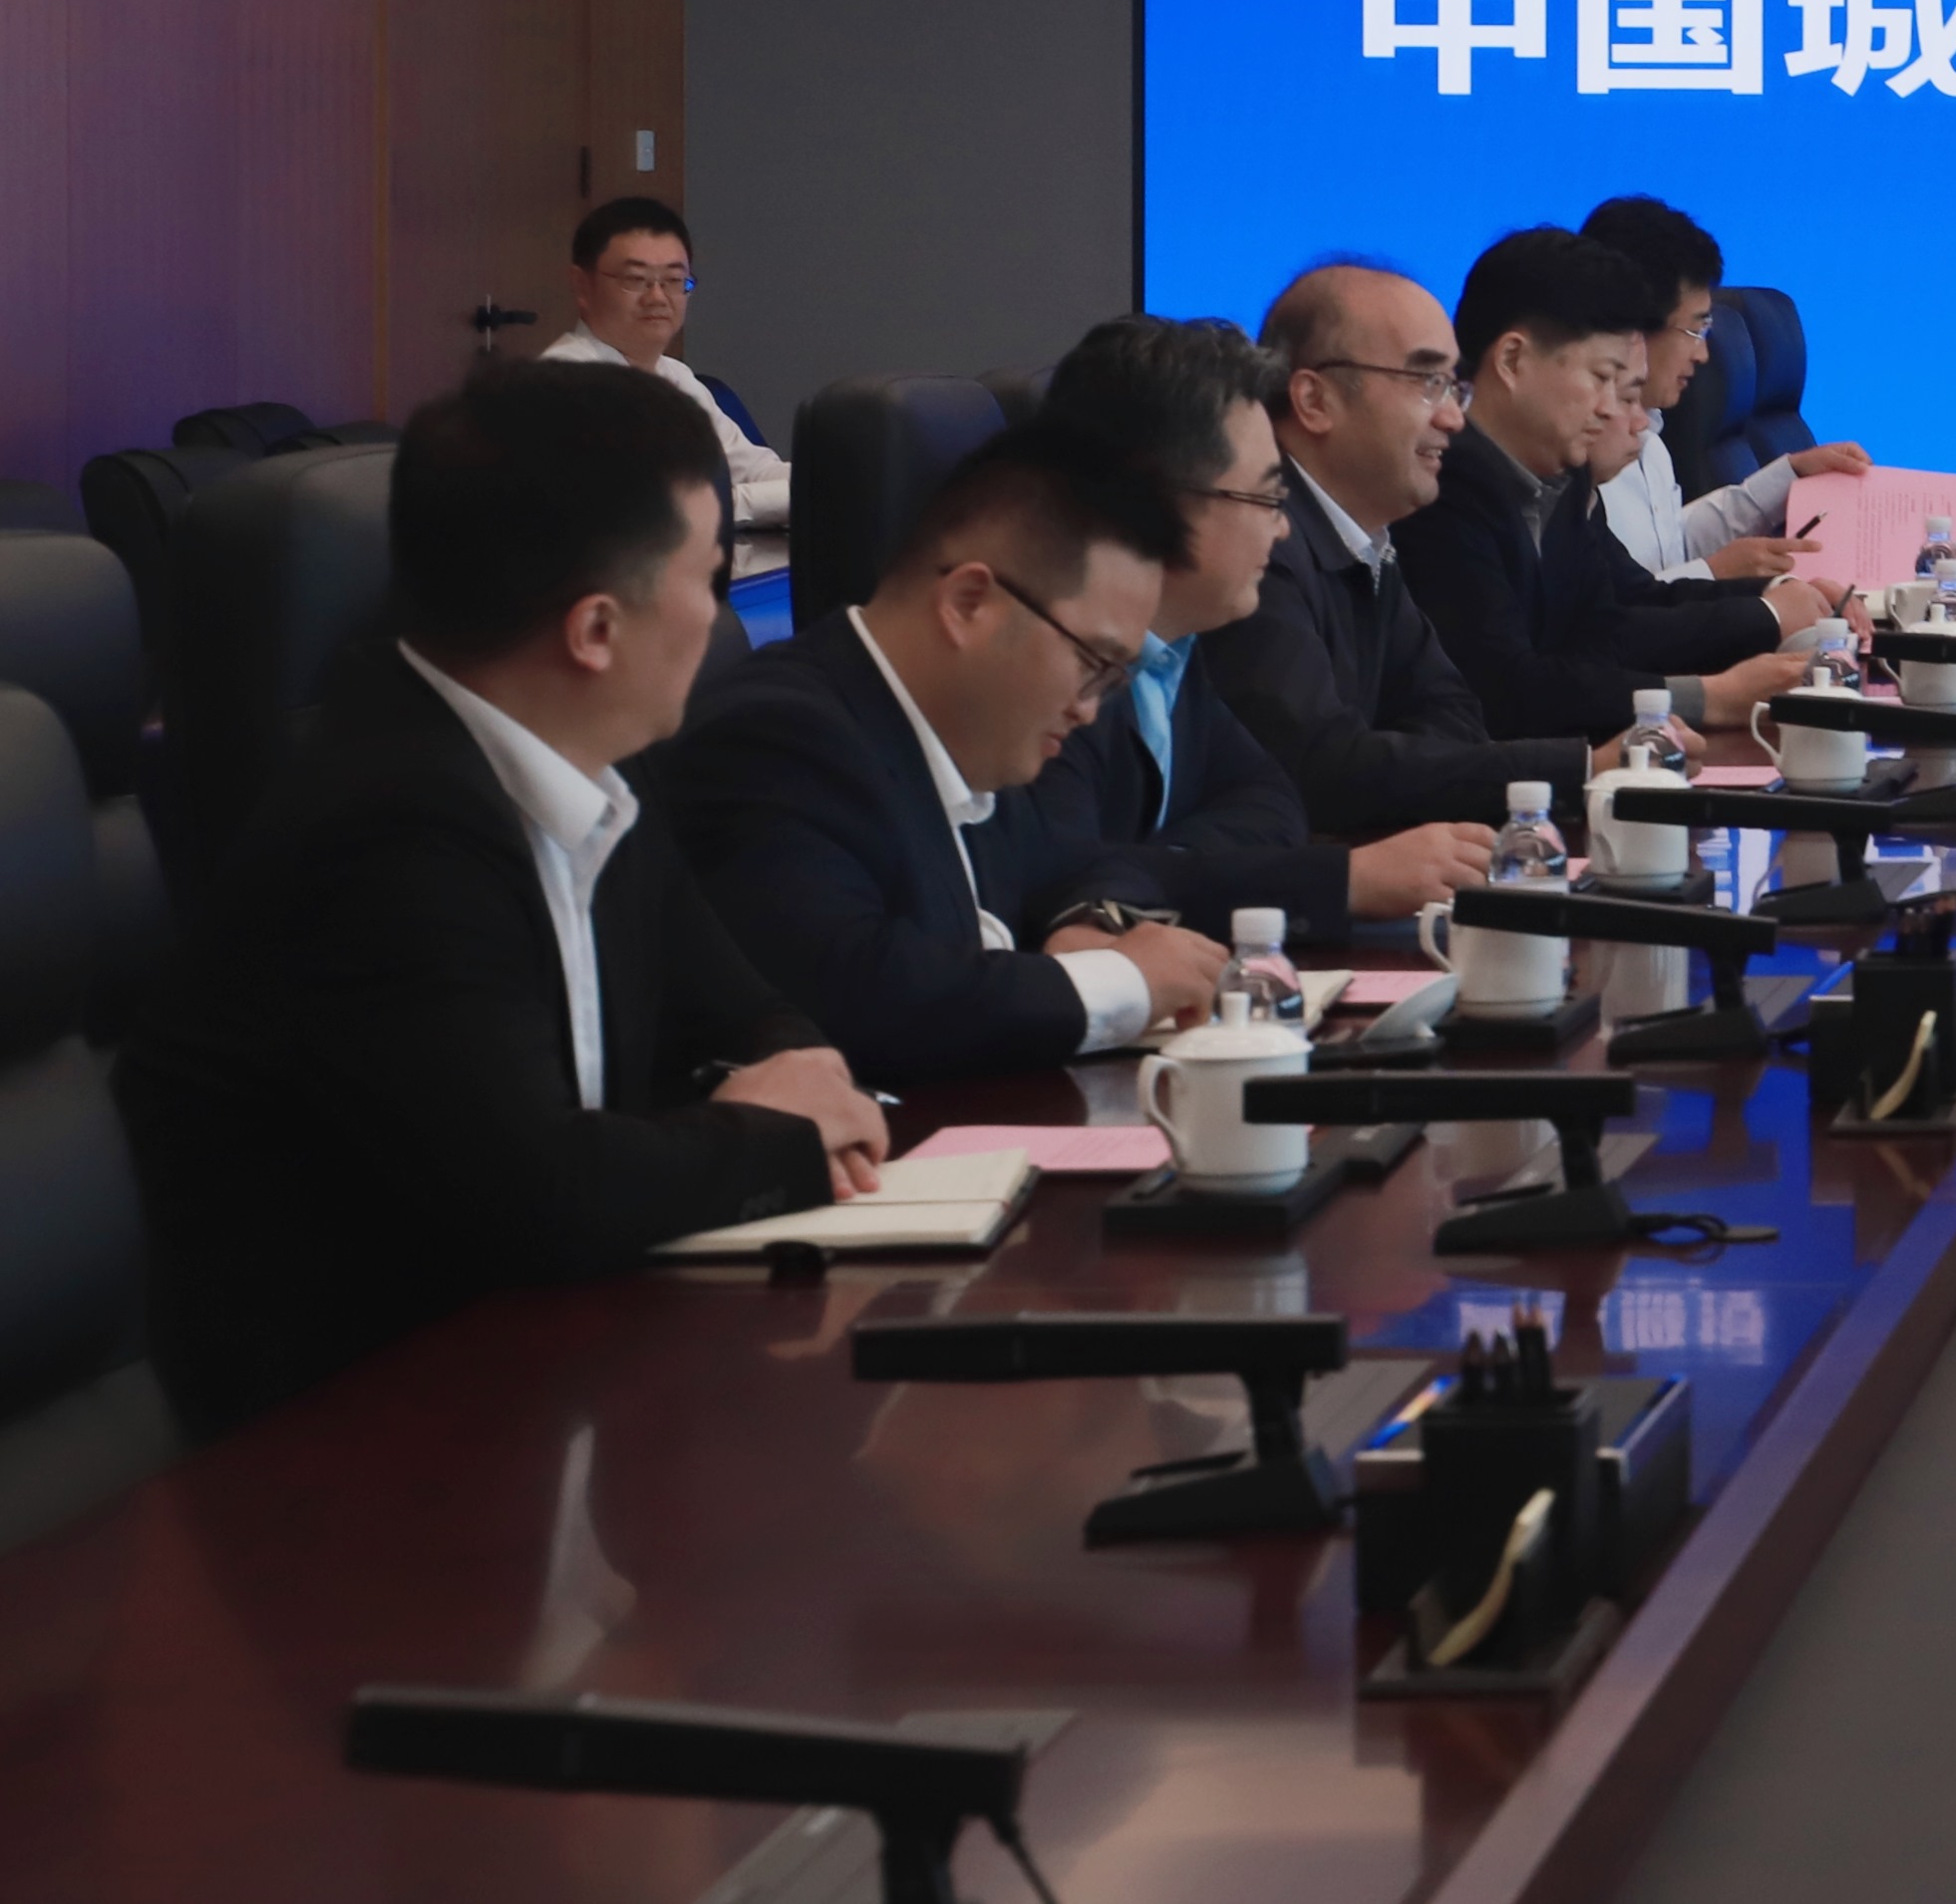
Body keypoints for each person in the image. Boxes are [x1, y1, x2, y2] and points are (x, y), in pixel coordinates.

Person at [118, 363, 881, 1429]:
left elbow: (736, 1000)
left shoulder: (594, 756)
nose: (720, 619)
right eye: (708, 579)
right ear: (596, 631)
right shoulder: (388, 827)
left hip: (541, 1368)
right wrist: (779, 1135)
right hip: (352, 1441)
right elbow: (543, 1194)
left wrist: (804, 1071)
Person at [648, 421, 1228, 1084]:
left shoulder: (975, 728)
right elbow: (859, 995)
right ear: (968, 602)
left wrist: (1085, 918)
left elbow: (1074, 862)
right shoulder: (775, 740)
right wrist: (1119, 980)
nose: (1089, 708)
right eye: (1091, 662)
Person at [1031, 312, 1492, 946]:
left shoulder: (1175, 648)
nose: (1282, 528)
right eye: (1267, 500)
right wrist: (1344, 880)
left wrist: (1153, 867)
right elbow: (1059, 880)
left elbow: (1270, 799)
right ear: (1156, 501)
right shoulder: (1048, 668)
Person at [1204, 261, 1656, 837]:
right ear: (1315, 400)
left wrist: (1393, 768)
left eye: (1451, 386)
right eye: (1425, 383)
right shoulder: (1258, 548)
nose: (1452, 417)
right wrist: (1580, 769)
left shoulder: (1370, 535)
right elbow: (1322, 769)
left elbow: (1456, 711)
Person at [1398, 229, 1820, 741]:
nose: (1610, 409)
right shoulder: (1439, 487)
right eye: (1601, 378)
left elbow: (1611, 622)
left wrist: (1769, 605)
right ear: (1512, 361)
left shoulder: (1559, 475)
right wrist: (1710, 696)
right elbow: (1504, 691)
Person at [1580, 195, 1876, 582]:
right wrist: (1715, 572)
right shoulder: (1579, 450)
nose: (1703, 354)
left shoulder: (1650, 436)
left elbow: (1671, 547)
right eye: (1695, 330)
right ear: (1633, 324)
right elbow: (1607, 605)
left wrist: (1791, 475)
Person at [536, 196, 792, 533]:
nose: (657, 297)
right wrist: (782, 498)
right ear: (582, 286)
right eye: (636, 279)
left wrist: (822, 482)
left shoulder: (676, 376)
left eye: (673, 281)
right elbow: (646, 513)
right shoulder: (561, 384)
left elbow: (755, 469)